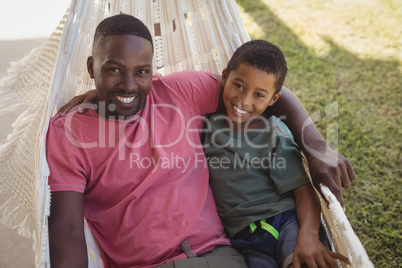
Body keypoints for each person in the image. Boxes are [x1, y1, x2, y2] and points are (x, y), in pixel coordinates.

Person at [48, 14, 355, 267]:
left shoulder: (180, 92)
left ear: (152, 71)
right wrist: (106, 99)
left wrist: (317, 147)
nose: (129, 84)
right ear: (91, 67)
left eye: (140, 71)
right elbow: (67, 229)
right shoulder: (70, 132)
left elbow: (266, 93)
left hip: (220, 256)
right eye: (113, 70)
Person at [203, 40, 349, 267]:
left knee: (303, 260)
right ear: (225, 77)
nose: (244, 100)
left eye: (259, 95)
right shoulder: (206, 126)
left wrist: (308, 236)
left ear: (274, 99)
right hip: (243, 240)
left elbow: (303, 192)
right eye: (239, 86)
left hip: (286, 222)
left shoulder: (272, 135)